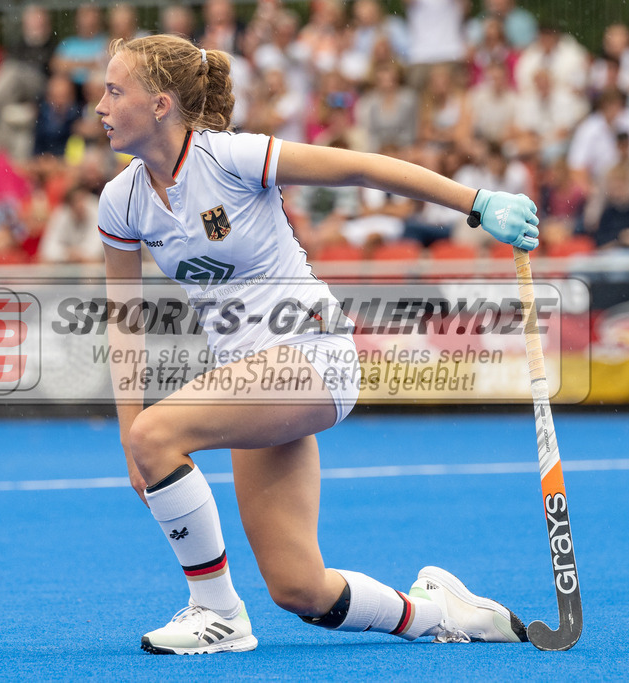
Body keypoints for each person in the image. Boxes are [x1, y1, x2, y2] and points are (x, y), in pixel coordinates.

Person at [94, 34, 538, 655]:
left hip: (313, 353)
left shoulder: (231, 157)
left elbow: (361, 167)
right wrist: (125, 434)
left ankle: (215, 613)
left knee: (158, 433)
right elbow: (123, 316)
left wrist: (476, 203)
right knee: (301, 589)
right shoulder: (122, 200)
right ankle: (439, 612)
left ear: (162, 103)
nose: (100, 105)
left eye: (115, 90)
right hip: (250, 378)